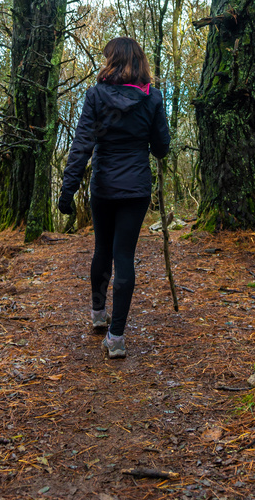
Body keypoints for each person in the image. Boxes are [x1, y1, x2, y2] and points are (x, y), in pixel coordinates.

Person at [57, 37, 170, 359]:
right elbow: (162, 147)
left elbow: (82, 145)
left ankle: (97, 314)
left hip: (104, 186)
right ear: (140, 62)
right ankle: (116, 337)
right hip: (136, 188)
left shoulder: (95, 96)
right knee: (124, 257)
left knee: (102, 250)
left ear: (112, 61)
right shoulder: (153, 98)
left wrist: (68, 189)